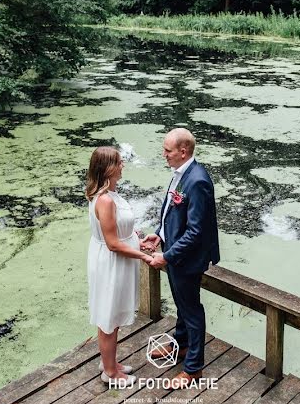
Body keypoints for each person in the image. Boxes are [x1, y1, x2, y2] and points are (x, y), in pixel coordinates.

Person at [141, 128, 220, 389]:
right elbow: (172, 213)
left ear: (183, 151)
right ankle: (181, 346)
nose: (164, 154)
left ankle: (193, 368)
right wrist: (159, 236)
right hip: (174, 253)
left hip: (187, 258)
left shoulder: (197, 181)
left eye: (168, 150)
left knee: (192, 311)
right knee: (182, 306)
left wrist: (168, 256)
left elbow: (197, 232)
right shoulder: (180, 175)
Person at [86, 146, 153, 388]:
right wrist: (144, 257)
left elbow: (119, 230)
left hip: (117, 262)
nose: (123, 165)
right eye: (119, 162)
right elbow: (113, 244)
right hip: (111, 264)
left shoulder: (111, 194)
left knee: (111, 314)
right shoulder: (104, 200)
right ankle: (110, 373)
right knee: (108, 317)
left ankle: (110, 362)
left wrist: (137, 237)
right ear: (108, 168)